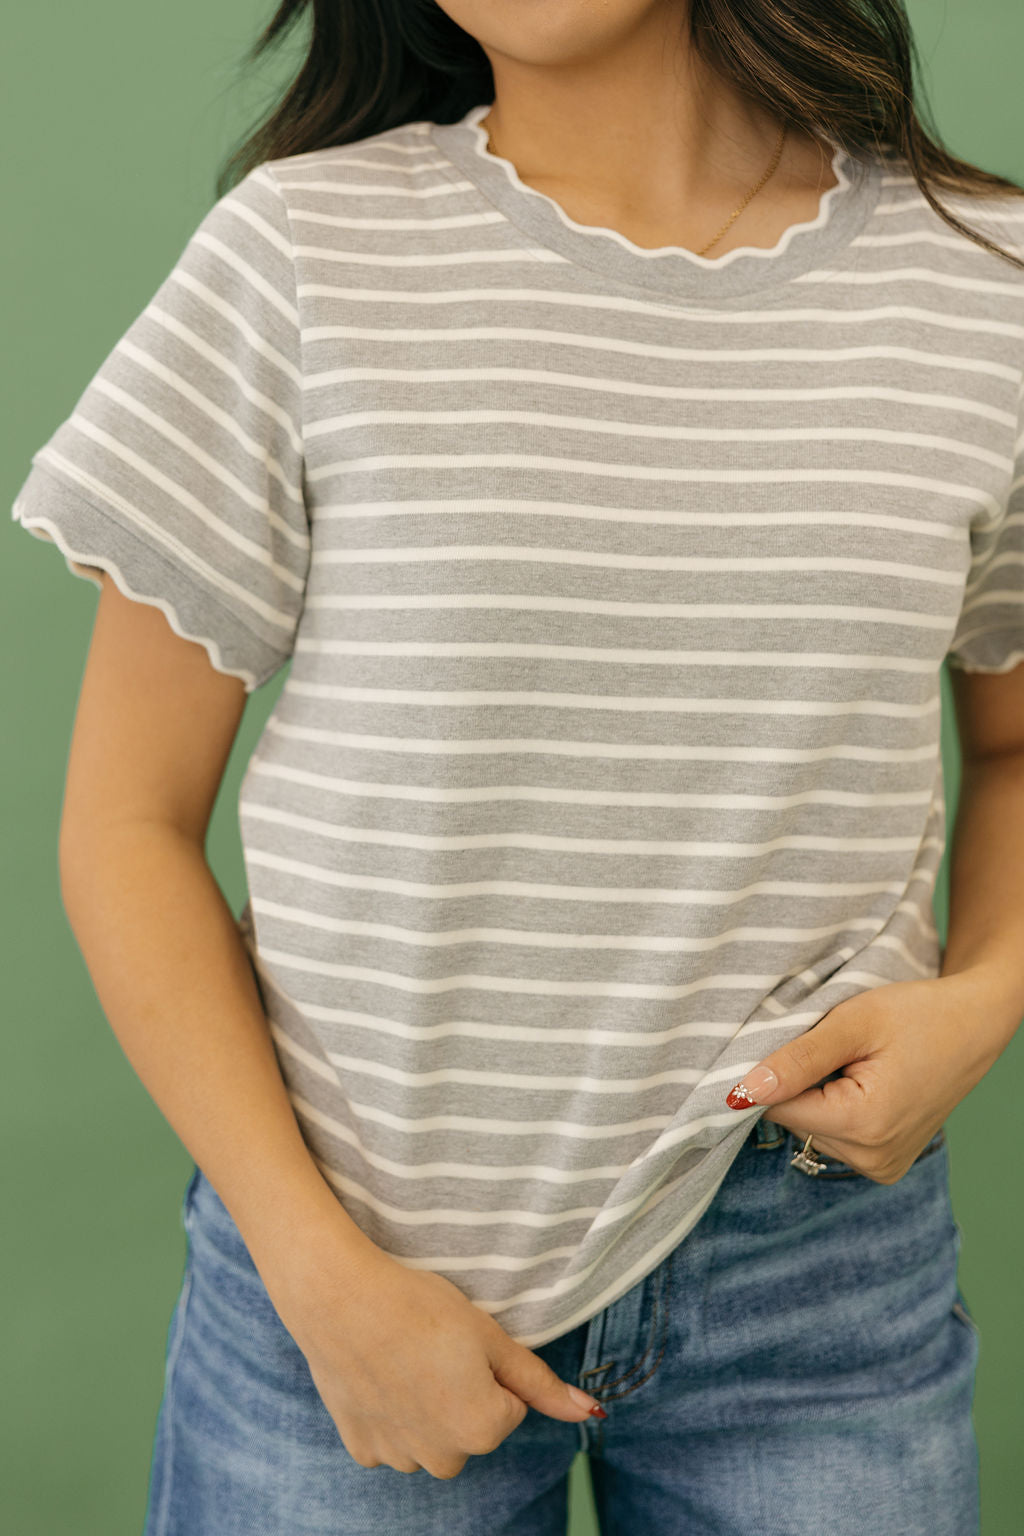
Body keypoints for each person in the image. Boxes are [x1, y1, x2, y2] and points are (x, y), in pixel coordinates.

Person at [12, 1, 1024, 1531]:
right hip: (351, 1262)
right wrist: (317, 1272)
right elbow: (124, 822)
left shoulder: (981, 279)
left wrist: (985, 1001)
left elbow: (1013, 739)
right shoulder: (302, 251)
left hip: (814, 1255)